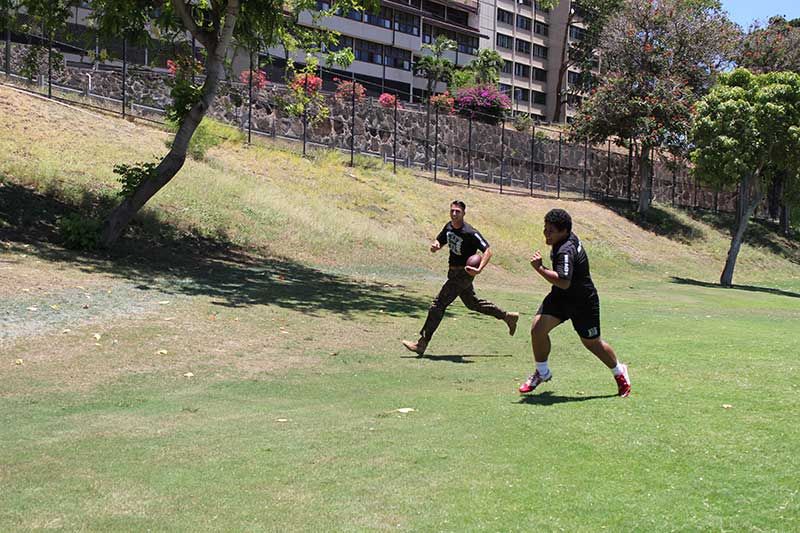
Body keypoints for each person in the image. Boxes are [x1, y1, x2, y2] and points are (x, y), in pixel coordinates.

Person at [519, 208, 631, 397]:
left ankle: (620, 372)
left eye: (551, 230)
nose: (546, 233)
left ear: (564, 231)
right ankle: (542, 372)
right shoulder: (563, 238)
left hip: (582, 301)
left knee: (592, 343)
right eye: (545, 228)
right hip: (561, 298)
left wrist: (539, 268)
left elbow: (563, 281)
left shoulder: (565, 250)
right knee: (537, 330)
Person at [402, 200, 519, 356]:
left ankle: (422, 343)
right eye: (452, 211)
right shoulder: (448, 227)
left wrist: (478, 269)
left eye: (458, 211)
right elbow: (440, 240)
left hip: (464, 274)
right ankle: (507, 316)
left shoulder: (470, 232)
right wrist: (436, 245)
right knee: (473, 304)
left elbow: (488, 251)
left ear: (464, 213)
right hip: (453, 272)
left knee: (438, 304)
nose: (454, 213)